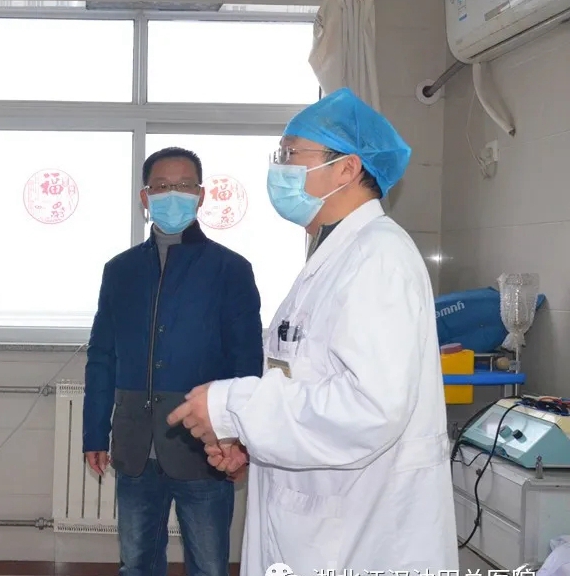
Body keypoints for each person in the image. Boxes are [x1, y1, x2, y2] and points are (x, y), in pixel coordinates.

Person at [167, 88, 458, 574]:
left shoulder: (378, 257)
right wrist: (247, 439)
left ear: (347, 168)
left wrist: (233, 407)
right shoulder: (337, 254)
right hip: (316, 514)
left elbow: (371, 408)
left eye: (291, 154)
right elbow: (303, 378)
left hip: (357, 530)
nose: (279, 169)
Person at [83, 147, 264, 576]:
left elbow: (246, 362)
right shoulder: (120, 270)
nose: (172, 194)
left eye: (183, 186)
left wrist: (237, 438)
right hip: (134, 444)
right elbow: (102, 355)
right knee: (137, 563)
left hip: (204, 445)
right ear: (145, 197)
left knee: (209, 564)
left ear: (200, 195)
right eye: (162, 186)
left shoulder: (230, 269)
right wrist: (94, 432)